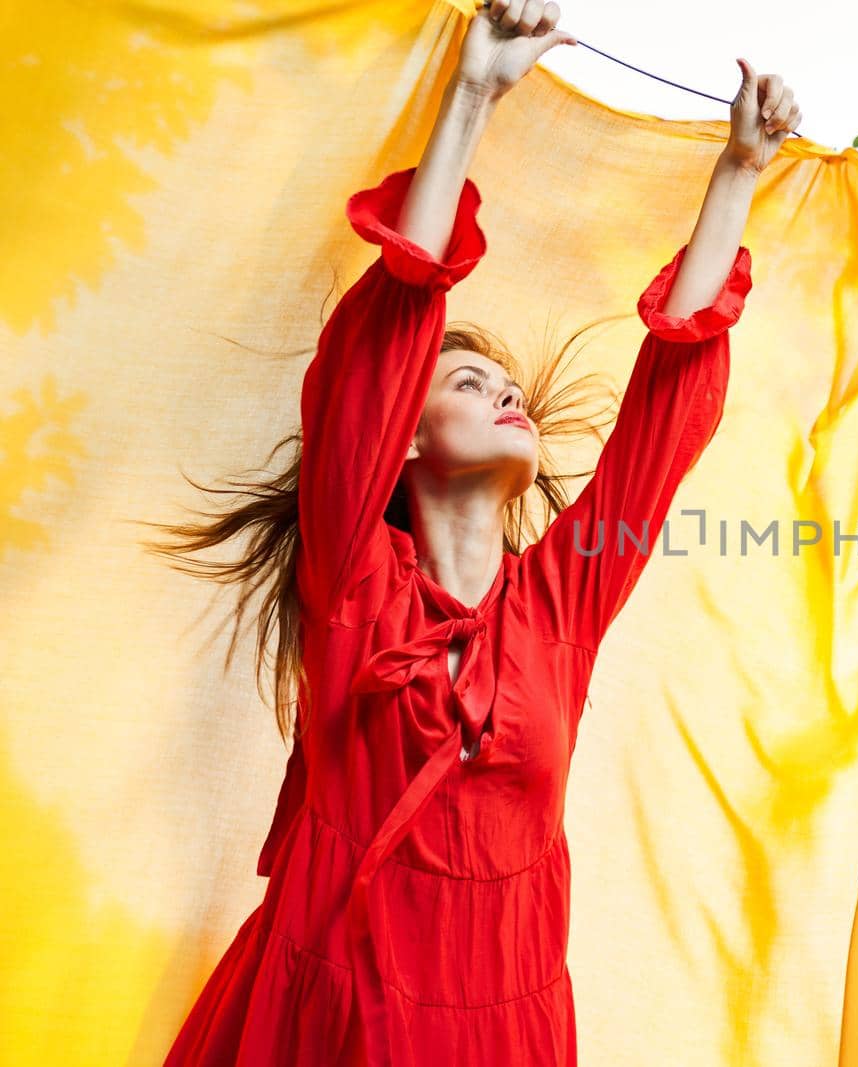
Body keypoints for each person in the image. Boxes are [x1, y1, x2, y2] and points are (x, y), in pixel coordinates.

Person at [155, 2, 802, 1062]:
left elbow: (664, 417)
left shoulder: (560, 607)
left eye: (511, 386)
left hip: (505, 1029)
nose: (510, 394)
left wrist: (737, 174)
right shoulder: (353, 574)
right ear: (404, 441)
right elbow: (376, 354)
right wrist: (471, 96)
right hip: (327, 1016)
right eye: (469, 380)